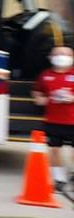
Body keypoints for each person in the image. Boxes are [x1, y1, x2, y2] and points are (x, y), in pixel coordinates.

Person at [32, 45, 74, 193]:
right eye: (58, 53)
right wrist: (39, 98)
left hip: (72, 121)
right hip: (53, 120)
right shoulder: (45, 75)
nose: (61, 56)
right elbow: (37, 91)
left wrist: (71, 98)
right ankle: (59, 179)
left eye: (66, 54)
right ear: (51, 57)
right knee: (54, 150)